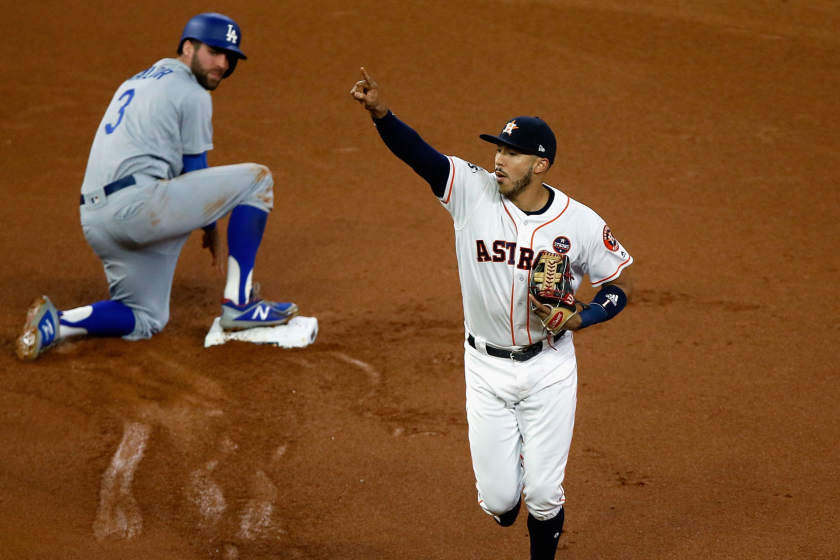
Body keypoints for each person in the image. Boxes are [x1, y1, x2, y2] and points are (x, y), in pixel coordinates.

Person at [351, 68, 634, 559]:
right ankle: (508, 489)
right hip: (485, 368)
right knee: (502, 503)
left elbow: (618, 285)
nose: (498, 160)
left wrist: (580, 318)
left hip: (548, 365)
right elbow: (420, 156)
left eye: (510, 153)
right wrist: (381, 114)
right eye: (497, 150)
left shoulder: (581, 223)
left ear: (540, 165)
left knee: (544, 496)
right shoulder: (471, 191)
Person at [16, 13, 298, 361]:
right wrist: (210, 226)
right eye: (215, 52)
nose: (223, 64)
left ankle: (56, 324)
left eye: (230, 58)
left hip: (96, 219)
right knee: (258, 180)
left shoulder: (136, 81)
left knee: (147, 317)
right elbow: (194, 168)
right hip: (139, 207)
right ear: (187, 47)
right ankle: (239, 304)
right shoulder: (192, 93)